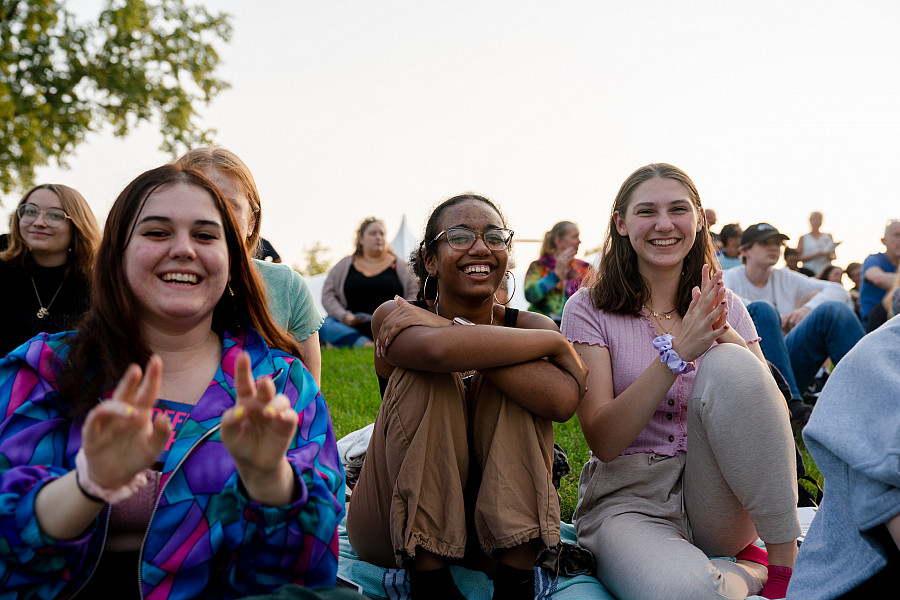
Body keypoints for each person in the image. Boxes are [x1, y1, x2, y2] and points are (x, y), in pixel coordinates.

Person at [0, 165, 345, 599]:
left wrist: (270, 481)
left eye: (204, 235)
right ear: (117, 253)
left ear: (232, 260)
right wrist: (87, 485)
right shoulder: (43, 368)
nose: (183, 249)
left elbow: (308, 572)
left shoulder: (280, 385)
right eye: (157, 232)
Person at [561, 164, 800, 600]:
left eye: (678, 210)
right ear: (621, 223)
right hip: (628, 499)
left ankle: (786, 565)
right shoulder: (587, 308)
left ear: (699, 220)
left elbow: (773, 422)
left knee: (731, 361)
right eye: (646, 211)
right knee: (687, 592)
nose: (664, 224)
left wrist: (724, 335)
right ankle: (751, 572)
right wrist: (677, 354)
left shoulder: (728, 305)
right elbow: (604, 440)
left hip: (718, 498)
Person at [346, 193, 587, 600]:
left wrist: (445, 326)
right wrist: (554, 347)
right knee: (433, 376)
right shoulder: (397, 315)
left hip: (494, 537)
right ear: (430, 260)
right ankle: (431, 584)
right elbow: (435, 353)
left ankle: (515, 585)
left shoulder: (531, 325)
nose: (480, 247)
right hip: (395, 533)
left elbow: (562, 401)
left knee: (514, 384)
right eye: (458, 236)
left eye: (494, 236)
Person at [176, 148, 324, 384]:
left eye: (229, 204)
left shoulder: (287, 287)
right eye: (201, 201)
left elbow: (309, 399)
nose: (216, 216)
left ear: (252, 222)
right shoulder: (159, 284)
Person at [786, 315, 900, 599]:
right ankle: (796, 406)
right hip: (855, 581)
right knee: (830, 311)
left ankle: (797, 407)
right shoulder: (882, 358)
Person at [723, 223, 864, 420]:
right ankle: (792, 408)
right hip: (748, 374)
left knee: (834, 310)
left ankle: (871, 392)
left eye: (778, 243)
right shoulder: (728, 278)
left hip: (788, 368)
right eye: (765, 243)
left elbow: (838, 291)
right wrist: (775, 318)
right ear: (744, 250)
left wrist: (806, 309)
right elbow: (724, 302)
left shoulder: (786, 277)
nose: (774, 247)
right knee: (764, 310)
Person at [0, 184, 101, 356]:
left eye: (55, 215)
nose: (39, 223)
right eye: (30, 211)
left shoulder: (97, 286)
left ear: (77, 224)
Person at [320, 217, 417, 348]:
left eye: (382, 234)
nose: (378, 237)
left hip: (391, 323)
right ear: (360, 239)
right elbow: (328, 295)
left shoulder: (400, 265)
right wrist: (344, 316)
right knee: (324, 325)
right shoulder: (344, 266)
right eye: (373, 233)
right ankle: (367, 344)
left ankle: (355, 343)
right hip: (352, 325)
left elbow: (414, 291)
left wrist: (401, 315)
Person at [524, 220, 592, 325]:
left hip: (575, 328)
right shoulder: (539, 266)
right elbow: (530, 295)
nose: (579, 241)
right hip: (541, 328)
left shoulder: (584, 268)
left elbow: (599, 297)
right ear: (558, 241)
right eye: (574, 237)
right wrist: (556, 274)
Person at [859, 220, 900, 332]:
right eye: (897, 235)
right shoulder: (873, 260)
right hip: (874, 325)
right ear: (883, 241)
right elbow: (878, 278)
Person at [796, 211, 838, 277]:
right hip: (808, 272)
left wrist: (827, 255)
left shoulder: (828, 236)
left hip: (825, 272)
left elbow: (834, 256)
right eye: (815, 219)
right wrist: (815, 255)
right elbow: (798, 258)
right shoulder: (803, 238)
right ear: (810, 221)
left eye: (819, 219)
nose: (817, 221)